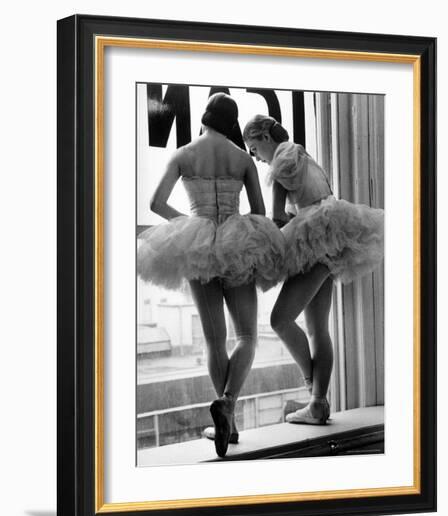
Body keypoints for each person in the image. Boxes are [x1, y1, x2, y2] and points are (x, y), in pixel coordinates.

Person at [137, 95, 285, 456]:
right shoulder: (240, 157)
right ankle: (229, 407)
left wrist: (192, 227)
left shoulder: (184, 153)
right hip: (236, 242)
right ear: (231, 122)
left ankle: (227, 421)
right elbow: (261, 210)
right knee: (248, 335)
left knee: (213, 341)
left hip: (198, 243)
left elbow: (155, 203)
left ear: (204, 119)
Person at [243, 114, 384, 425]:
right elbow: (317, 197)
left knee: (279, 320)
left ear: (266, 138)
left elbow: (278, 216)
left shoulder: (281, 161)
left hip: (314, 240)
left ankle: (310, 383)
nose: (257, 158)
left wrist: (254, 230)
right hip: (333, 237)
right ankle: (318, 404)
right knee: (318, 329)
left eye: (254, 149)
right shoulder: (303, 154)